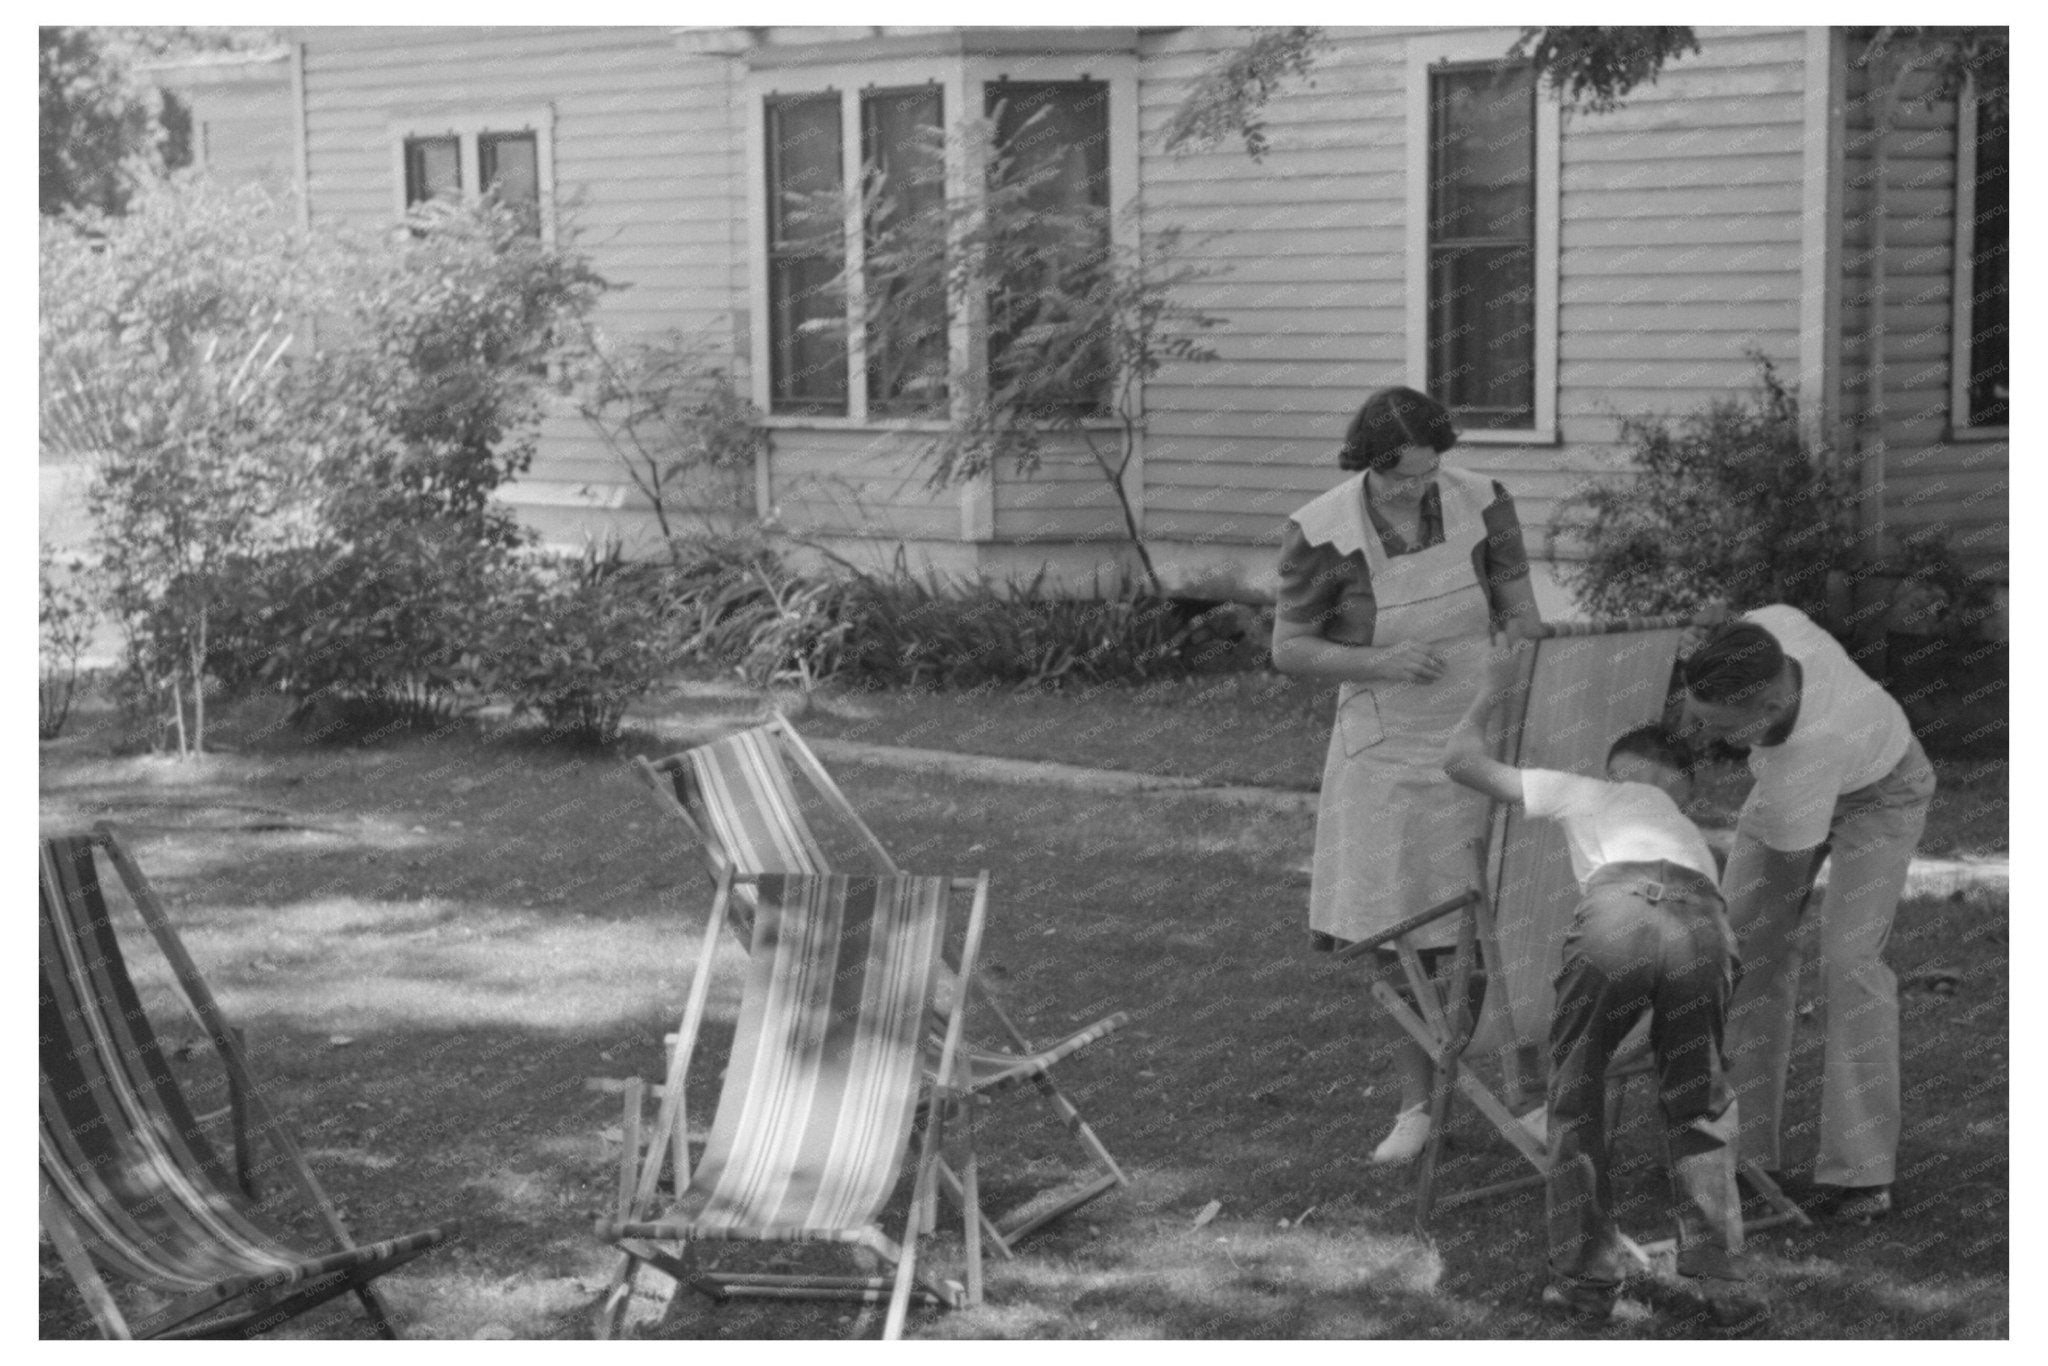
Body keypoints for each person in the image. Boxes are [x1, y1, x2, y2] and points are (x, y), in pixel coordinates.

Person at [1444, 642, 1760, 1328]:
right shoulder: (1692, 836)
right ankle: (1725, 1287)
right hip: (1705, 924)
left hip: (1619, 914)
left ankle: (1586, 1282)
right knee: (1699, 1101)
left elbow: (1459, 762)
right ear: (1685, 791)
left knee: (1576, 1097)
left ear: (1616, 770)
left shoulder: (1589, 791)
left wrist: (1494, 686)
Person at [1272, 385, 1540, 1164]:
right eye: (1402, 479)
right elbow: (1289, 650)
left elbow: (1521, 611)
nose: (1419, 490)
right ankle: (1416, 1108)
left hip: (1479, 730)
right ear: (1366, 465)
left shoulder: (1485, 502)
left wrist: (1515, 656)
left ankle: (1512, 1089)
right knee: (1401, 935)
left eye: (1428, 474)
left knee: (1488, 918)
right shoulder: (1318, 533)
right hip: (1386, 752)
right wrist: (1378, 661)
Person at [1680, 605, 1935, 1223]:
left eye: (1717, 726)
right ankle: (1741, 1156)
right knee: (1741, 953)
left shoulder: (1807, 749)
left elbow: (1785, 897)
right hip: (1807, 781)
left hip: (1884, 791)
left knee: (1847, 962)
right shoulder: (1770, 626)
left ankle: (1863, 1176)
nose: (1703, 736)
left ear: (1765, 712)